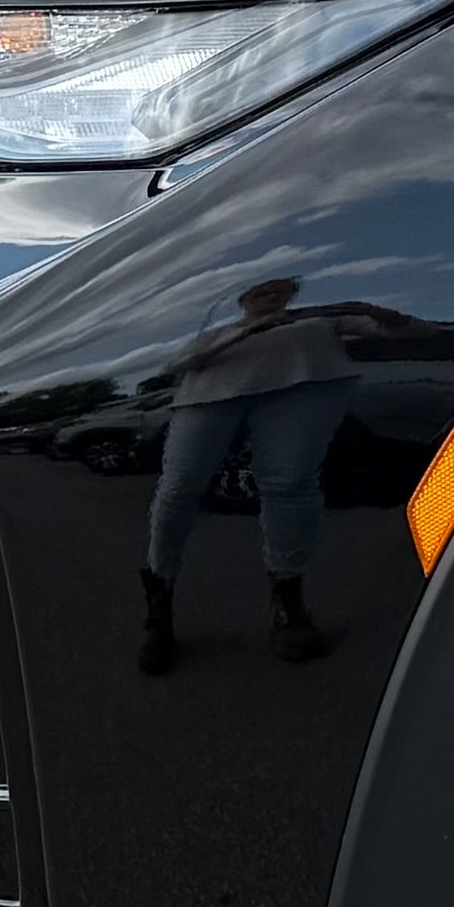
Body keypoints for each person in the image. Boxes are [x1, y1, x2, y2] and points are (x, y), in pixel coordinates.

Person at [139, 279, 361, 672]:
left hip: (299, 393)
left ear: (291, 295)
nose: (271, 297)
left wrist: (379, 314)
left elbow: (410, 331)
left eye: (279, 291)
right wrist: (247, 332)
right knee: (178, 487)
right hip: (207, 399)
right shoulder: (218, 332)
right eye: (261, 292)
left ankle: (288, 599)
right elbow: (174, 365)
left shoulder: (317, 320)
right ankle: (160, 595)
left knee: (289, 484)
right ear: (244, 300)